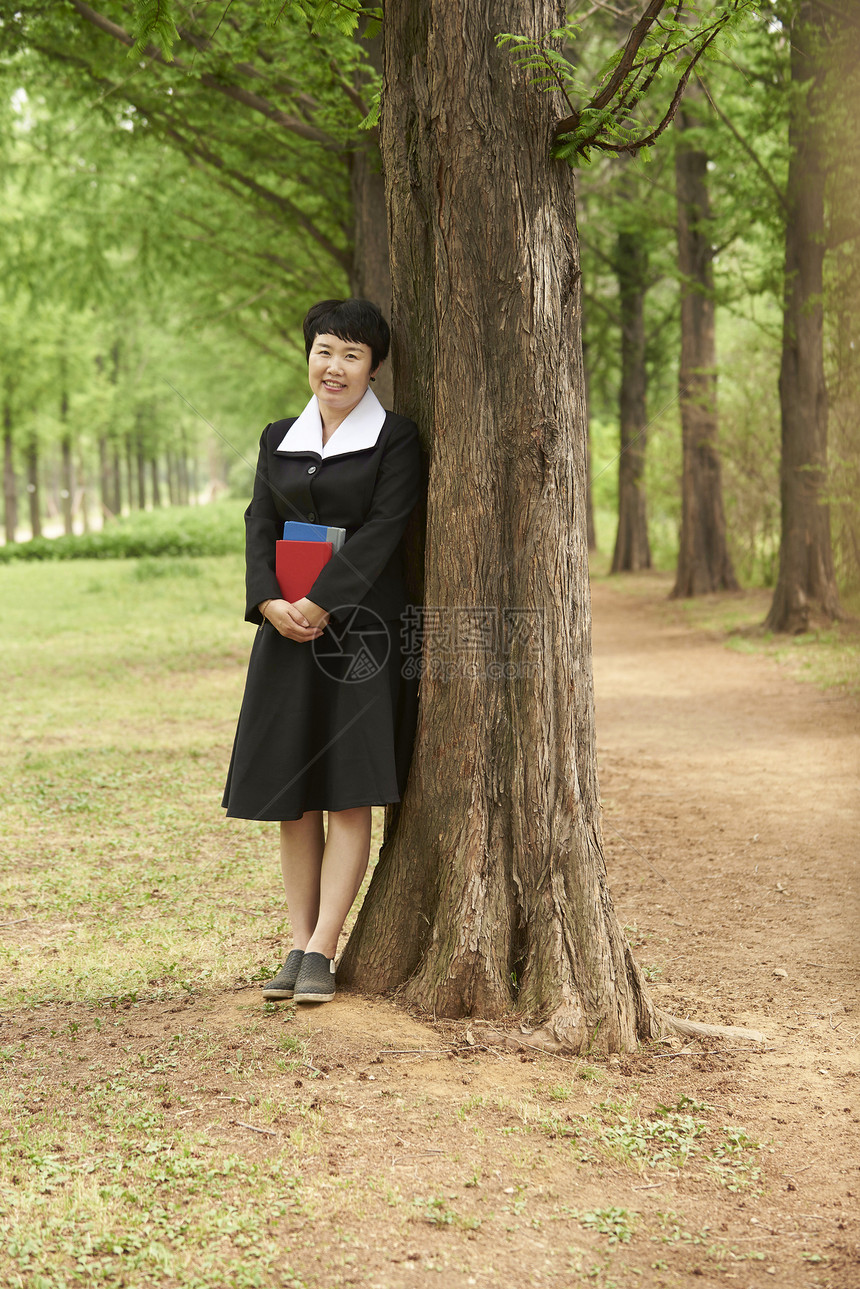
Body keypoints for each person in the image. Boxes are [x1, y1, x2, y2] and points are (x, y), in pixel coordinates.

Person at [222, 298, 422, 1005]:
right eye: (324, 351)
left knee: (346, 791)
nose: (333, 367)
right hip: (285, 632)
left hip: (357, 634)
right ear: (308, 355)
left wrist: (321, 599)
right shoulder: (279, 435)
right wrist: (269, 601)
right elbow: (260, 522)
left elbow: (383, 528)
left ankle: (324, 947)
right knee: (292, 793)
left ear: (372, 368)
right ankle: (296, 937)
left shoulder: (395, 439)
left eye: (351, 356)